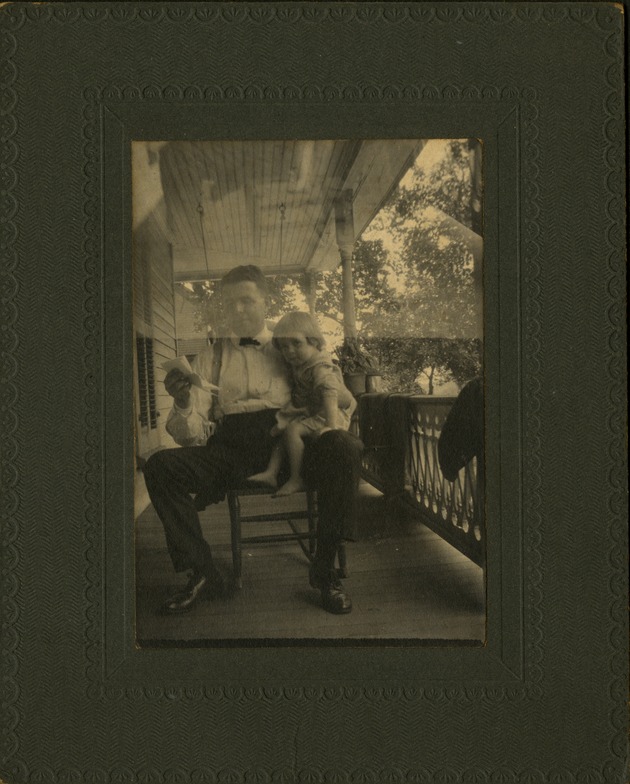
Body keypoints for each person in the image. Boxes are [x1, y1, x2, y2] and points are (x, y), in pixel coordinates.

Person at [142, 265, 362, 616]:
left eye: (247, 301)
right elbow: (190, 434)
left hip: (294, 449)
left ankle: (324, 572)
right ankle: (202, 571)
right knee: (160, 466)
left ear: (266, 300)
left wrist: (328, 424)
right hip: (232, 451)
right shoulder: (210, 357)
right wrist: (183, 402)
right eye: (231, 304)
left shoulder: (291, 343)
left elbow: (339, 393)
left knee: (345, 448)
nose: (239, 310)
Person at [248, 311, 357, 497]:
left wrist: (331, 427)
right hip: (315, 411)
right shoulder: (302, 362)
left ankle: (296, 478)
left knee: (292, 431)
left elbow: (330, 393)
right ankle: (271, 473)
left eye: (296, 344)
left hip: (331, 415)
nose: (289, 351)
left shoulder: (319, 366)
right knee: (285, 431)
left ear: (314, 341)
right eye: (284, 347)